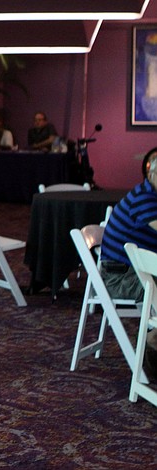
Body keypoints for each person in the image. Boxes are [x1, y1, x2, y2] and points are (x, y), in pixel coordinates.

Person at [99, 150, 157, 377]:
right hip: (119, 277)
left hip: (135, 270)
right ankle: (150, 349)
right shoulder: (145, 198)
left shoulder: (150, 193)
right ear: (150, 172)